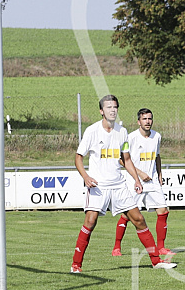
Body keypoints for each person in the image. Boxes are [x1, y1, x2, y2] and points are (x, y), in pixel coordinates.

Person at [71, 95, 176, 273]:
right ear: (101, 111)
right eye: (108, 107)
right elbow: (78, 158)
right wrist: (86, 177)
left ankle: (156, 261)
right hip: (98, 185)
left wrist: (136, 179)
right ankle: (76, 265)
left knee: (139, 220)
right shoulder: (92, 131)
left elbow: (126, 159)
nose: (112, 110)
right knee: (90, 221)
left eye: (115, 107)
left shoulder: (122, 131)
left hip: (119, 185)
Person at [113, 108, 175, 257]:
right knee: (128, 215)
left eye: (150, 119)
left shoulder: (157, 136)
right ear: (138, 121)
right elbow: (121, 159)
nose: (148, 122)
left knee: (163, 211)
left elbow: (157, 156)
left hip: (152, 181)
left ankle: (161, 247)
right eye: (145, 119)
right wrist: (139, 175)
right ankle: (116, 247)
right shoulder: (130, 138)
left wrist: (159, 174)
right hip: (136, 182)